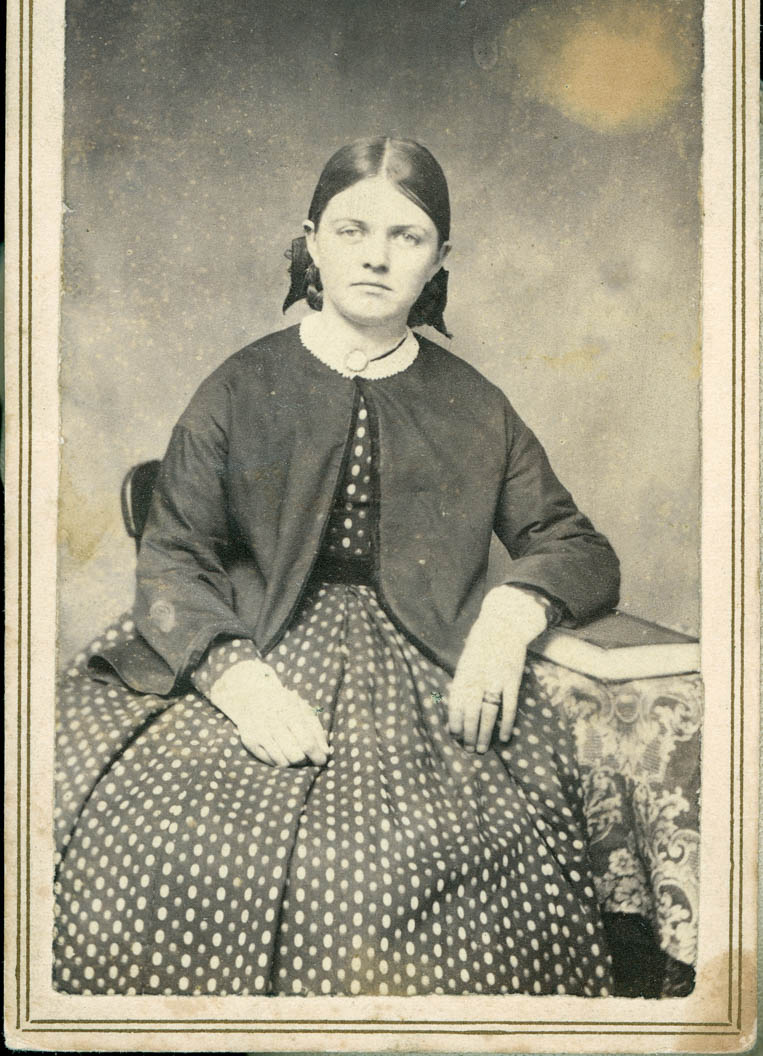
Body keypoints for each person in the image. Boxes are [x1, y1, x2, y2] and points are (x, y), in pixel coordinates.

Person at [53, 137, 620, 998]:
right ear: (311, 241)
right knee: (156, 838)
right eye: (352, 230)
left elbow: (575, 545)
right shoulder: (238, 385)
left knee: (433, 862)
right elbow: (172, 556)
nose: (376, 256)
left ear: (438, 260)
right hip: (246, 643)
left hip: (424, 664)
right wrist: (241, 684)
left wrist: (506, 623)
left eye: (406, 236)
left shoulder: (475, 404)